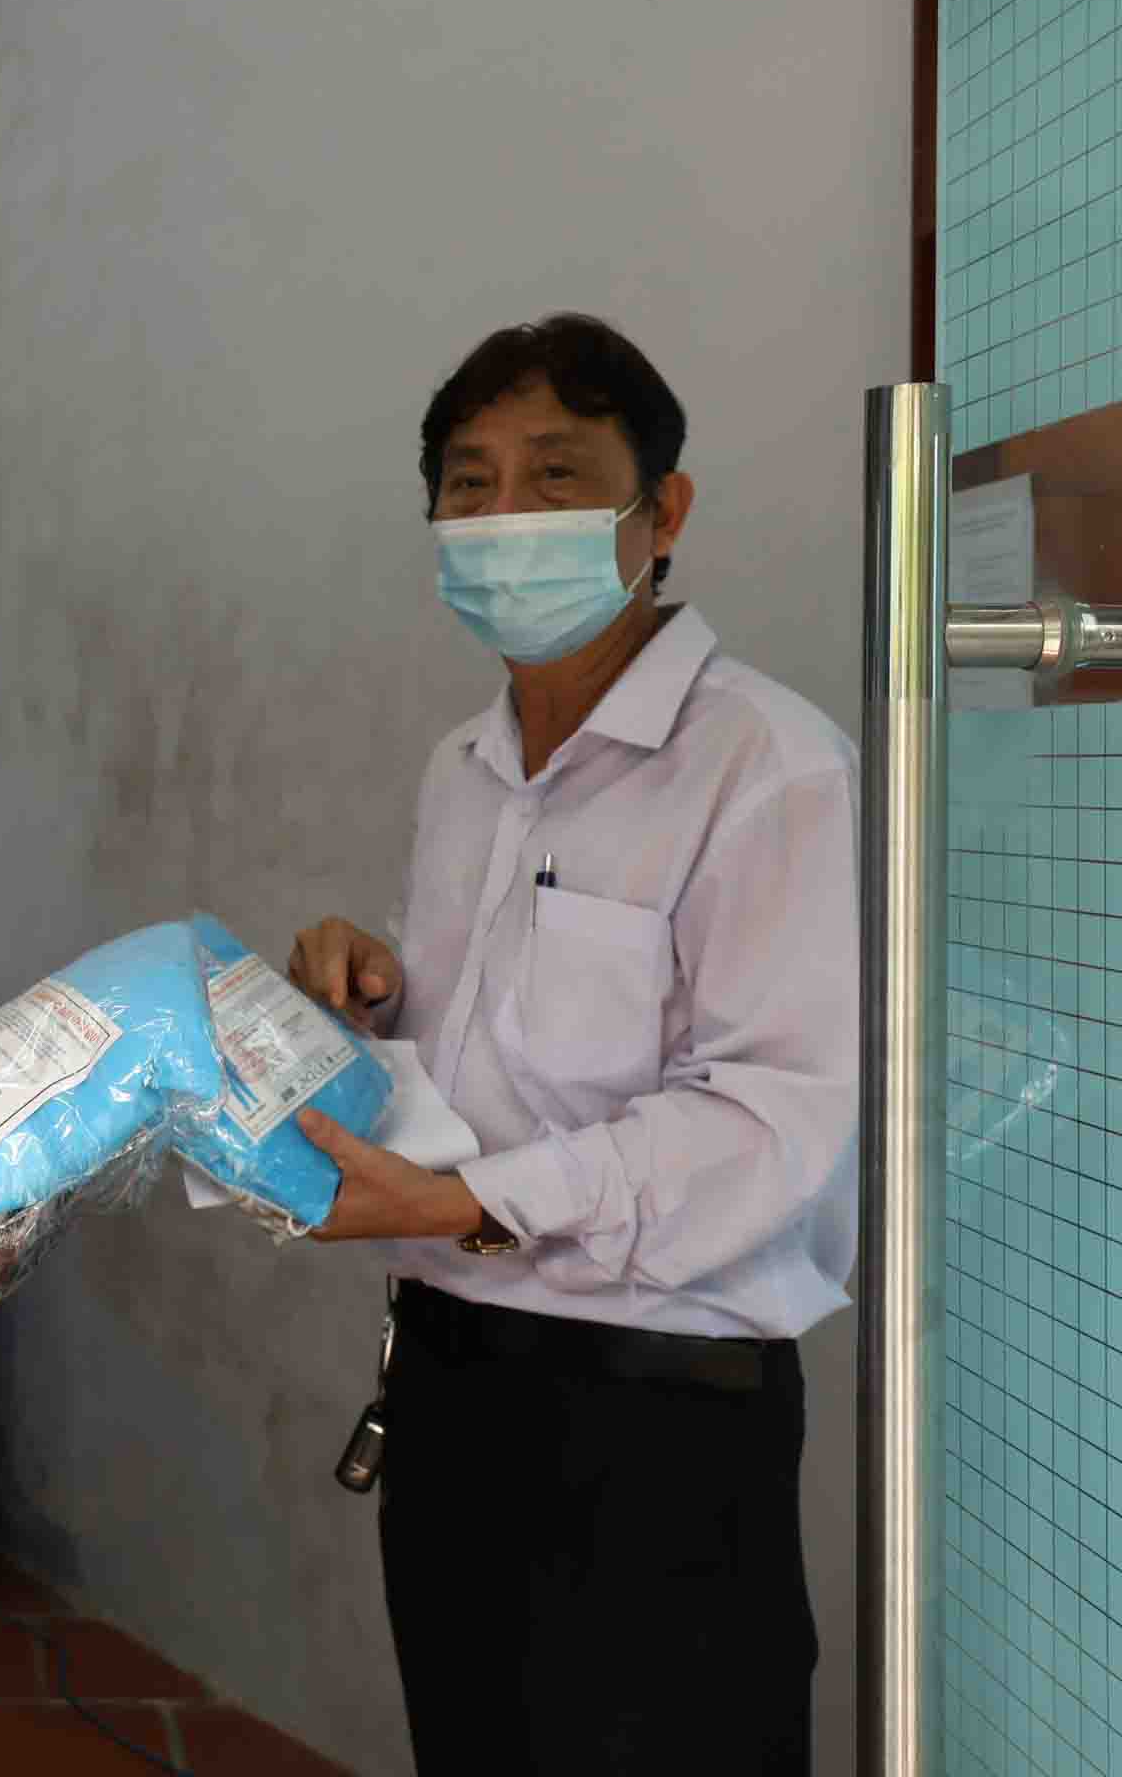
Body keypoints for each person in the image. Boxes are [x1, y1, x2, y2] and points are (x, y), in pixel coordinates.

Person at [285, 314, 857, 1777]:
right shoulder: (467, 769)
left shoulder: (767, 764)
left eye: (556, 473)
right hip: (459, 1383)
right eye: (468, 484)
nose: (506, 518)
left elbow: (773, 1122)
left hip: (659, 1424)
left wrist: (478, 1203)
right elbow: (503, 1069)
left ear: (660, 512)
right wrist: (374, 1005)